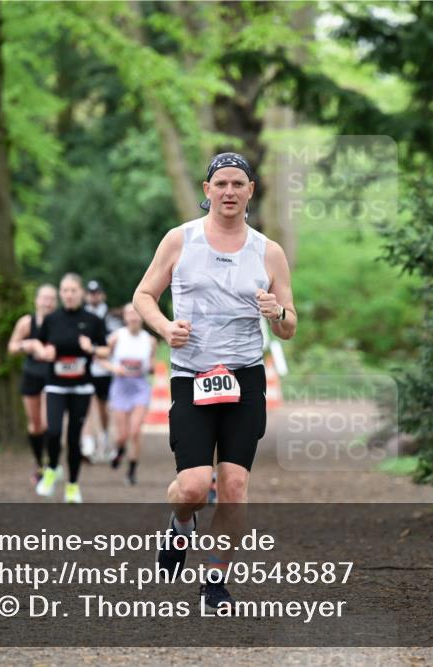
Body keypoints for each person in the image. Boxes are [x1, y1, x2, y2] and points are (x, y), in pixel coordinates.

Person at [134, 152, 296, 609]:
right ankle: (179, 525)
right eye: (220, 183)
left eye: (238, 184)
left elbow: (289, 324)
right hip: (192, 375)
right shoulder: (180, 240)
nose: (229, 191)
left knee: (233, 486)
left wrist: (277, 312)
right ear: (207, 191)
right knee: (191, 486)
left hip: (245, 378)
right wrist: (165, 328)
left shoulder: (268, 251)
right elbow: (143, 295)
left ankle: (214, 581)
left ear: (250, 191)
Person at [33, 273, 109, 503]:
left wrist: (92, 349)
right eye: (64, 290)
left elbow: (105, 350)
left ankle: (73, 485)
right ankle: (53, 468)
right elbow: (39, 342)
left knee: (74, 439)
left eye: (73, 290)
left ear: (81, 293)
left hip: (81, 387)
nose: (68, 294)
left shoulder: (92, 320)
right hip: (56, 385)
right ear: (60, 293)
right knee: (53, 431)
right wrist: (43, 352)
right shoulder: (51, 319)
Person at [100, 303, 157, 485]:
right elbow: (100, 358)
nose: (133, 317)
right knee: (122, 435)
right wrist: (115, 368)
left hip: (140, 387)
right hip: (120, 387)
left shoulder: (150, 340)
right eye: (129, 313)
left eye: (136, 313)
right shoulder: (117, 337)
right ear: (124, 317)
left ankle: (132, 470)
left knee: (135, 431)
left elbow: (151, 364)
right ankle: (119, 450)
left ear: (142, 316)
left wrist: (151, 368)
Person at [7, 283, 58, 486]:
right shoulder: (26, 323)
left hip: (52, 377)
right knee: (35, 425)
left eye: (51, 298)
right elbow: (11, 347)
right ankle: (39, 464)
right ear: (36, 300)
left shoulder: (59, 322)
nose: (47, 302)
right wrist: (27, 345)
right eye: (43, 298)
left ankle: (52, 464)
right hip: (31, 375)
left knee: (48, 424)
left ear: (56, 302)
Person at [82, 280, 120, 462]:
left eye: (96, 293)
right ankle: (88, 441)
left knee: (103, 407)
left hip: (104, 367)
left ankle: (104, 437)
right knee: (86, 403)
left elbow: (115, 340)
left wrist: (99, 351)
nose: (93, 296)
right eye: (90, 293)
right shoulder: (81, 315)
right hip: (85, 366)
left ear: (102, 295)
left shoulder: (110, 317)